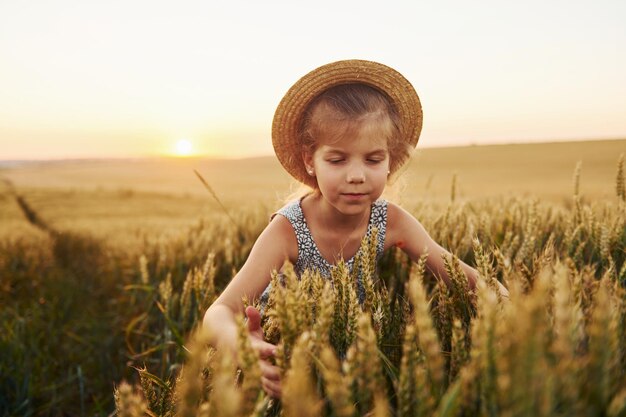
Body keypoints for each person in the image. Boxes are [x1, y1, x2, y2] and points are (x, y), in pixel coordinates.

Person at [203, 59, 509, 399]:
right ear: (310, 160)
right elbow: (217, 313)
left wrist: (509, 302)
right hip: (282, 364)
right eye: (337, 160)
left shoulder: (391, 222)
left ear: (390, 160)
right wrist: (241, 345)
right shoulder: (287, 230)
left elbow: (460, 276)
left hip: (345, 364)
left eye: (373, 159)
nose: (356, 175)